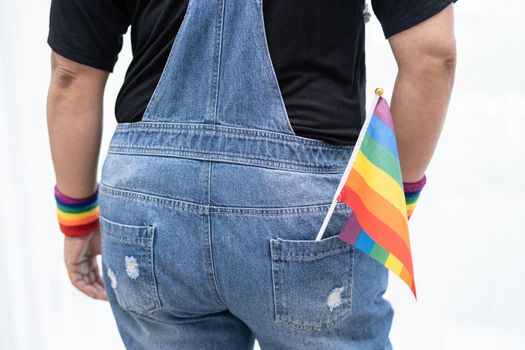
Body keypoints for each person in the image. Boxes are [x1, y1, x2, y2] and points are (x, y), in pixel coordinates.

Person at [46, 0, 456, 348]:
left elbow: (71, 75)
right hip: (304, 208)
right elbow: (431, 56)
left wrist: (78, 217)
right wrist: (392, 202)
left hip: (148, 212)